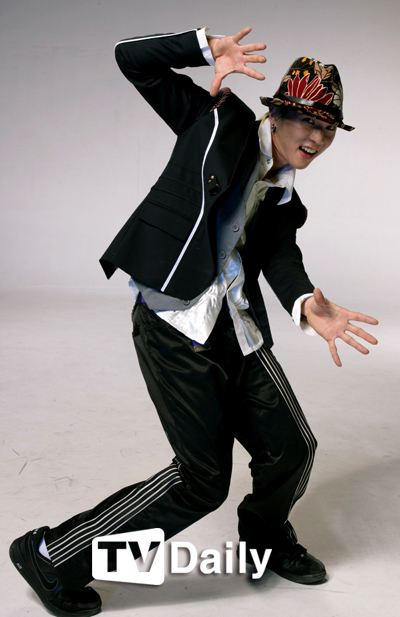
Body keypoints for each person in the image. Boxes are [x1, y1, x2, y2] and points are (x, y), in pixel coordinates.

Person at [10, 27, 379, 617]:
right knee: (201, 479)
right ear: (277, 114)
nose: (316, 137)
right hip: (173, 324)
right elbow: (131, 60)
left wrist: (305, 302)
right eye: (307, 120)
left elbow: (279, 254)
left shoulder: (286, 197)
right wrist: (202, 47)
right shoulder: (217, 121)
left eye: (328, 128)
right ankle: (54, 555)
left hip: (236, 325)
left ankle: (263, 541)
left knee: (291, 446)